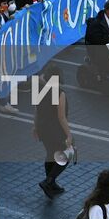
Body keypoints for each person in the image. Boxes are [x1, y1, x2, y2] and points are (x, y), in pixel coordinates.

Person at [33, 64, 72, 197]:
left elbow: (37, 110)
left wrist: (35, 127)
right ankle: (48, 181)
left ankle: (51, 183)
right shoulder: (60, 93)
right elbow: (61, 117)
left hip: (43, 128)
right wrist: (69, 134)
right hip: (55, 130)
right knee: (67, 155)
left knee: (50, 154)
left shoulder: (39, 90)